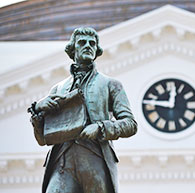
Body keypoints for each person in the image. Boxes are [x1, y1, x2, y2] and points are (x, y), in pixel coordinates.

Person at [28, 27, 137, 193]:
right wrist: (37, 111)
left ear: (97, 50)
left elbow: (130, 124)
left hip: (95, 160)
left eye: (92, 43)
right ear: (73, 49)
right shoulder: (58, 88)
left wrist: (100, 128)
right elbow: (43, 139)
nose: (88, 46)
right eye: (82, 42)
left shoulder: (110, 84)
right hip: (62, 162)